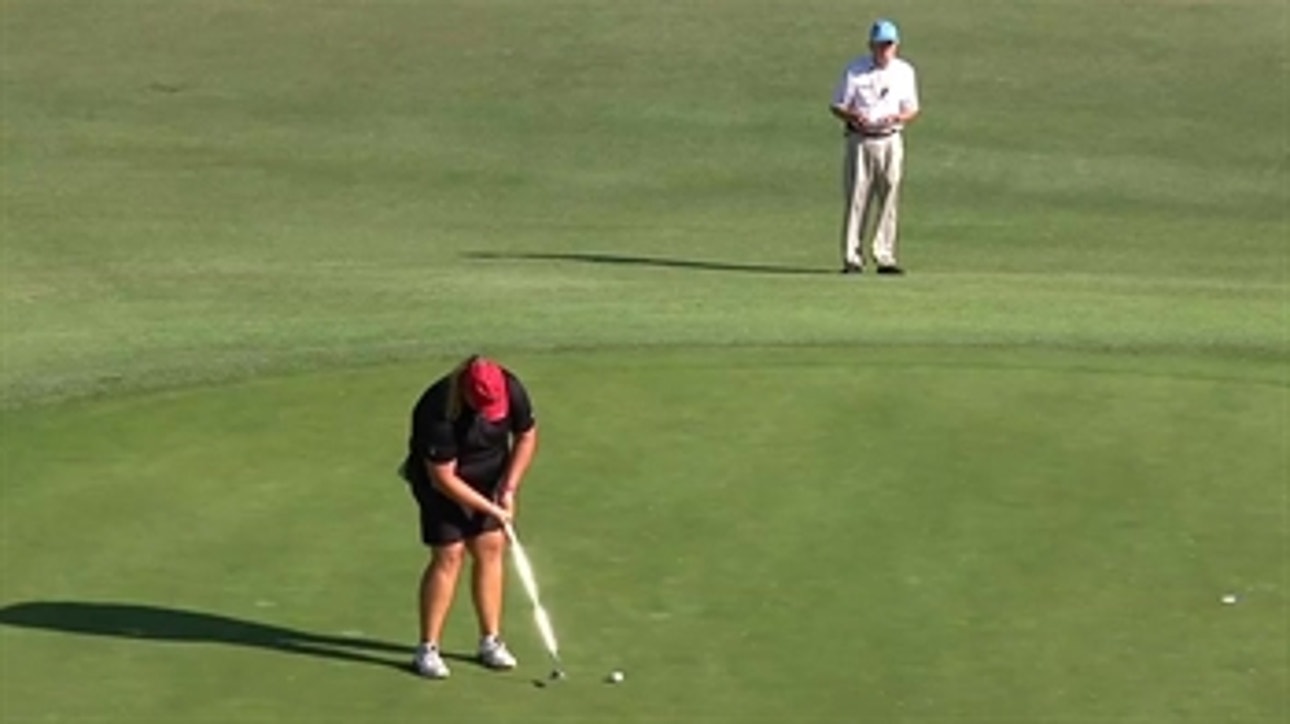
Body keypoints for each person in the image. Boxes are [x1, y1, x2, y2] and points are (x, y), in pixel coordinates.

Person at [399, 355, 539, 679]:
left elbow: (527, 436)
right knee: (450, 555)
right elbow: (443, 478)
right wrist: (493, 510)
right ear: (468, 394)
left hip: (490, 475)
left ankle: (490, 641)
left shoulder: (510, 386)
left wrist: (509, 487)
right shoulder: (437, 409)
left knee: (490, 547)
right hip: (441, 485)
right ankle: (427, 649)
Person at [830, 18, 921, 275]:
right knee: (857, 198)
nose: (884, 50)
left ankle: (885, 256)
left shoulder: (905, 71)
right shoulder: (855, 70)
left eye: (889, 45)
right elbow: (837, 105)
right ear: (871, 45)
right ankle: (852, 258)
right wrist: (851, 116)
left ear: (896, 46)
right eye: (880, 45)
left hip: (891, 139)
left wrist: (898, 118)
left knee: (890, 196)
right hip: (861, 139)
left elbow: (912, 109)